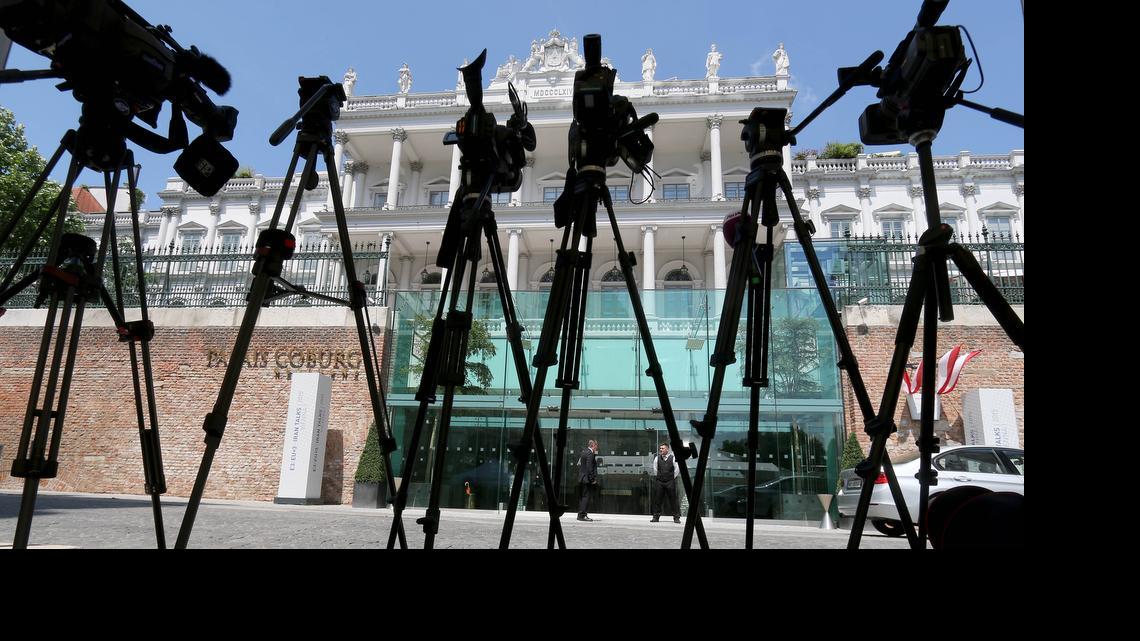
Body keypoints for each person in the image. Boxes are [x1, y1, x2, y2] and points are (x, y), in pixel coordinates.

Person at [648, 443, 681, 523]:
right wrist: (660, 477)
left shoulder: (673, 458)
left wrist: (671, 478)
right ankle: (656, 517)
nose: (660, 450)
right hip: (660, 481)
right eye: (660, 448)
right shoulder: (657, 458)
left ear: (667, 449)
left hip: (670, 481)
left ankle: (676, 517)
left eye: (662, 448)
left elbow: (677, 469)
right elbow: (655, 469)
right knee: (657, 500)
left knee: (673, 499)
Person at [577, 439, 599, 521]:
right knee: (586, 497)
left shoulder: (584, 452)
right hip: (587, 479)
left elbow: (579, 464)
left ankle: (581, 514)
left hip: (582, 478)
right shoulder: (590, 453)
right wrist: (593, 479)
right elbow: (590, 467)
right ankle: (582, 515)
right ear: (593, 445)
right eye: (596, 446)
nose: (597, 448)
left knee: (583, 497)